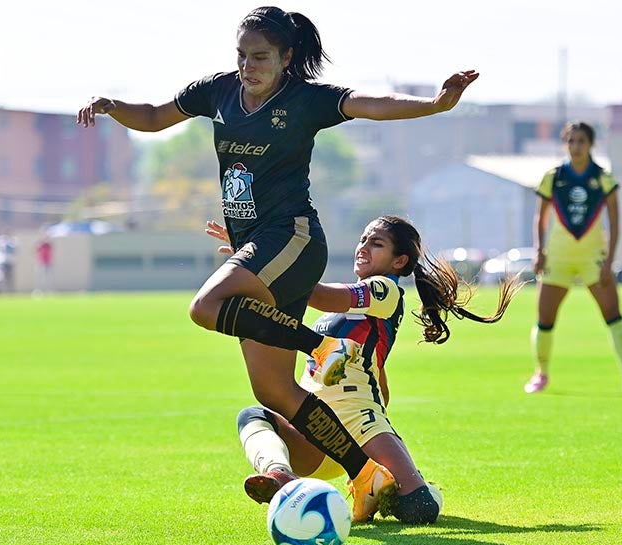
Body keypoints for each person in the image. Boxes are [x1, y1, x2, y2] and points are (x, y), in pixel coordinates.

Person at [77, 6, 479, 514]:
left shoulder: (306, 100)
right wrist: (114, 105)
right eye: (242, 56)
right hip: (259, 245)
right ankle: (364, 474)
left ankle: (320, 347)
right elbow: (156, 117)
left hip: (292, 237)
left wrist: (437, 104)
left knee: (204, 307)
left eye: (261, 57)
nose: (249, 66)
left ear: (287, 58)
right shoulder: (218, 91)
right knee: (273, 391)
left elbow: (372, 104)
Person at [207, 216, 521, 524]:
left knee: (419, 508)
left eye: (376, 243)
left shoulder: (387, 290)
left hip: (361, 424)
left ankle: (401, 484)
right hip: (313, 427)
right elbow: (378, 372)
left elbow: (321, 295)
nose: (364, 246)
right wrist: (254, 259)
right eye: (363, 240)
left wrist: (256, 258)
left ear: (399, 261)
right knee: (253, 415)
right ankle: (281, 475)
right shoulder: (359, 305)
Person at [525, 122, 622, 395]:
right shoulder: (554, 177)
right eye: (571, 141)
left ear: (591, 144)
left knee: (614, 316)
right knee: (545, 319)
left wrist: (609, 260)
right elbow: (540, 217)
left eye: (581, 141)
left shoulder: (603, 178)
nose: (576, 146)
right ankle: (541, 374)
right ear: (565, 144)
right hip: (558, 257)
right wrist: (539, 251)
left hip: (592, 257)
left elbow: (616, 222)